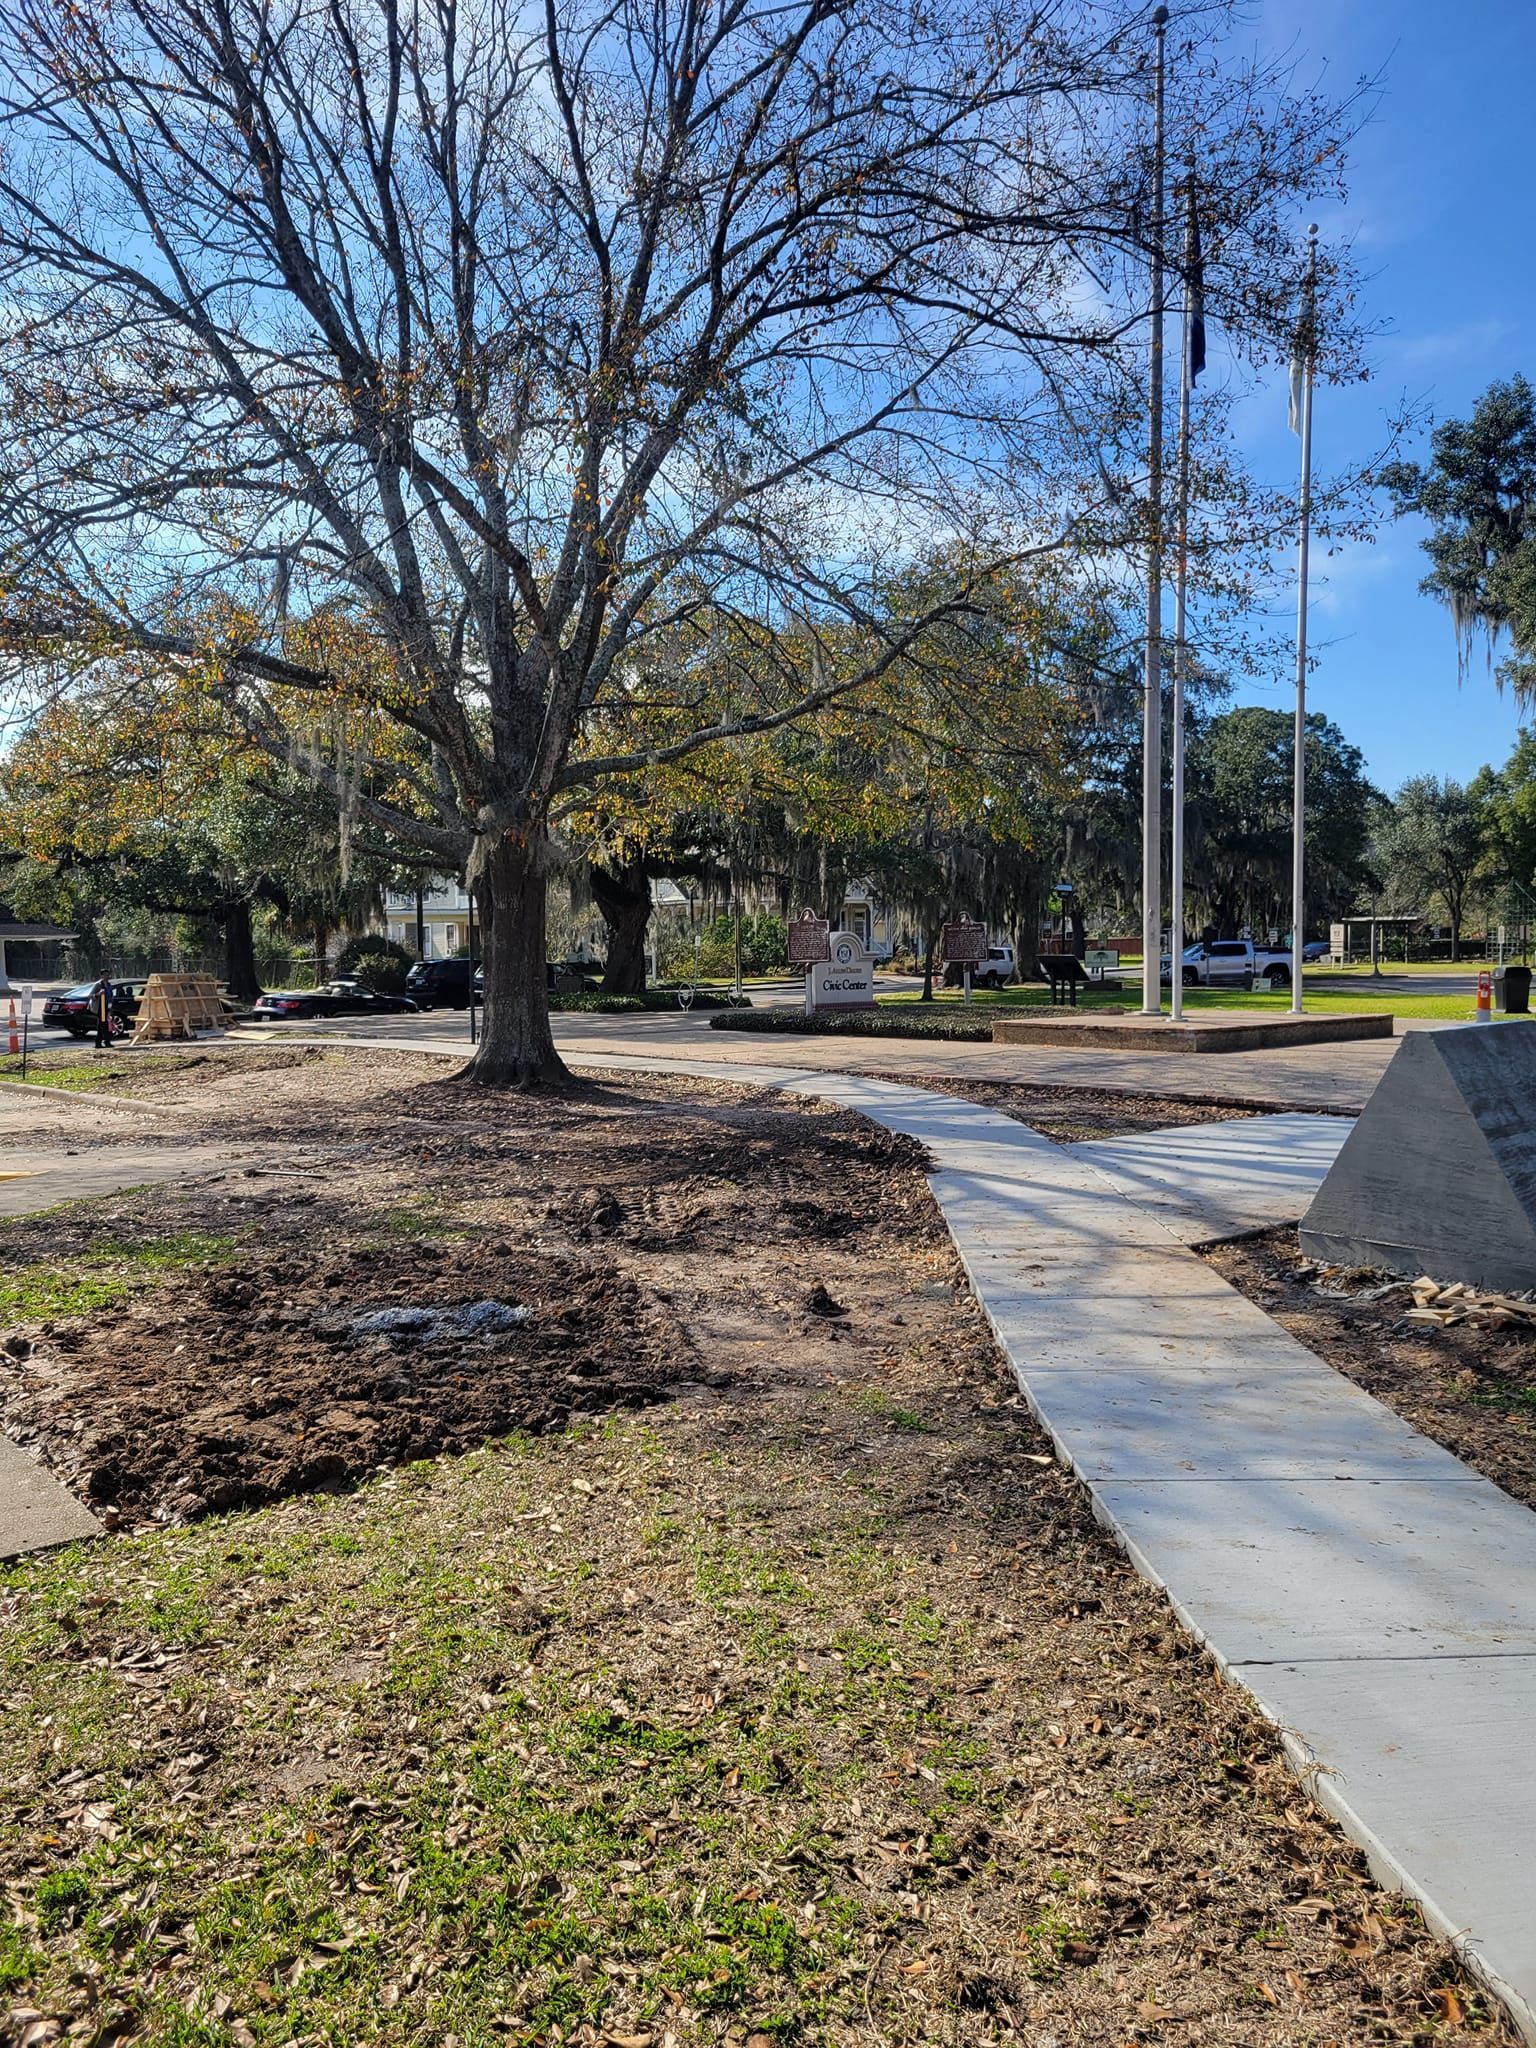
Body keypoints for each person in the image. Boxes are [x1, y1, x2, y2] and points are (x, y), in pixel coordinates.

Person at [91, 974, 114, 1050]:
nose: (106, 977)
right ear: (101, 976)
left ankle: (107, 1042)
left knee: (106, 1026)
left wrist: (110, 1009)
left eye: (107, 975)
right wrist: (98, 994)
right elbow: (91, 996)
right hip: (100, 1008)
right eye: (105, 975)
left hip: (107, 1007)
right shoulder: (98, 985)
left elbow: (110, 997)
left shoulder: (109, 985)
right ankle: (98, 1043)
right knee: (101, 1025)